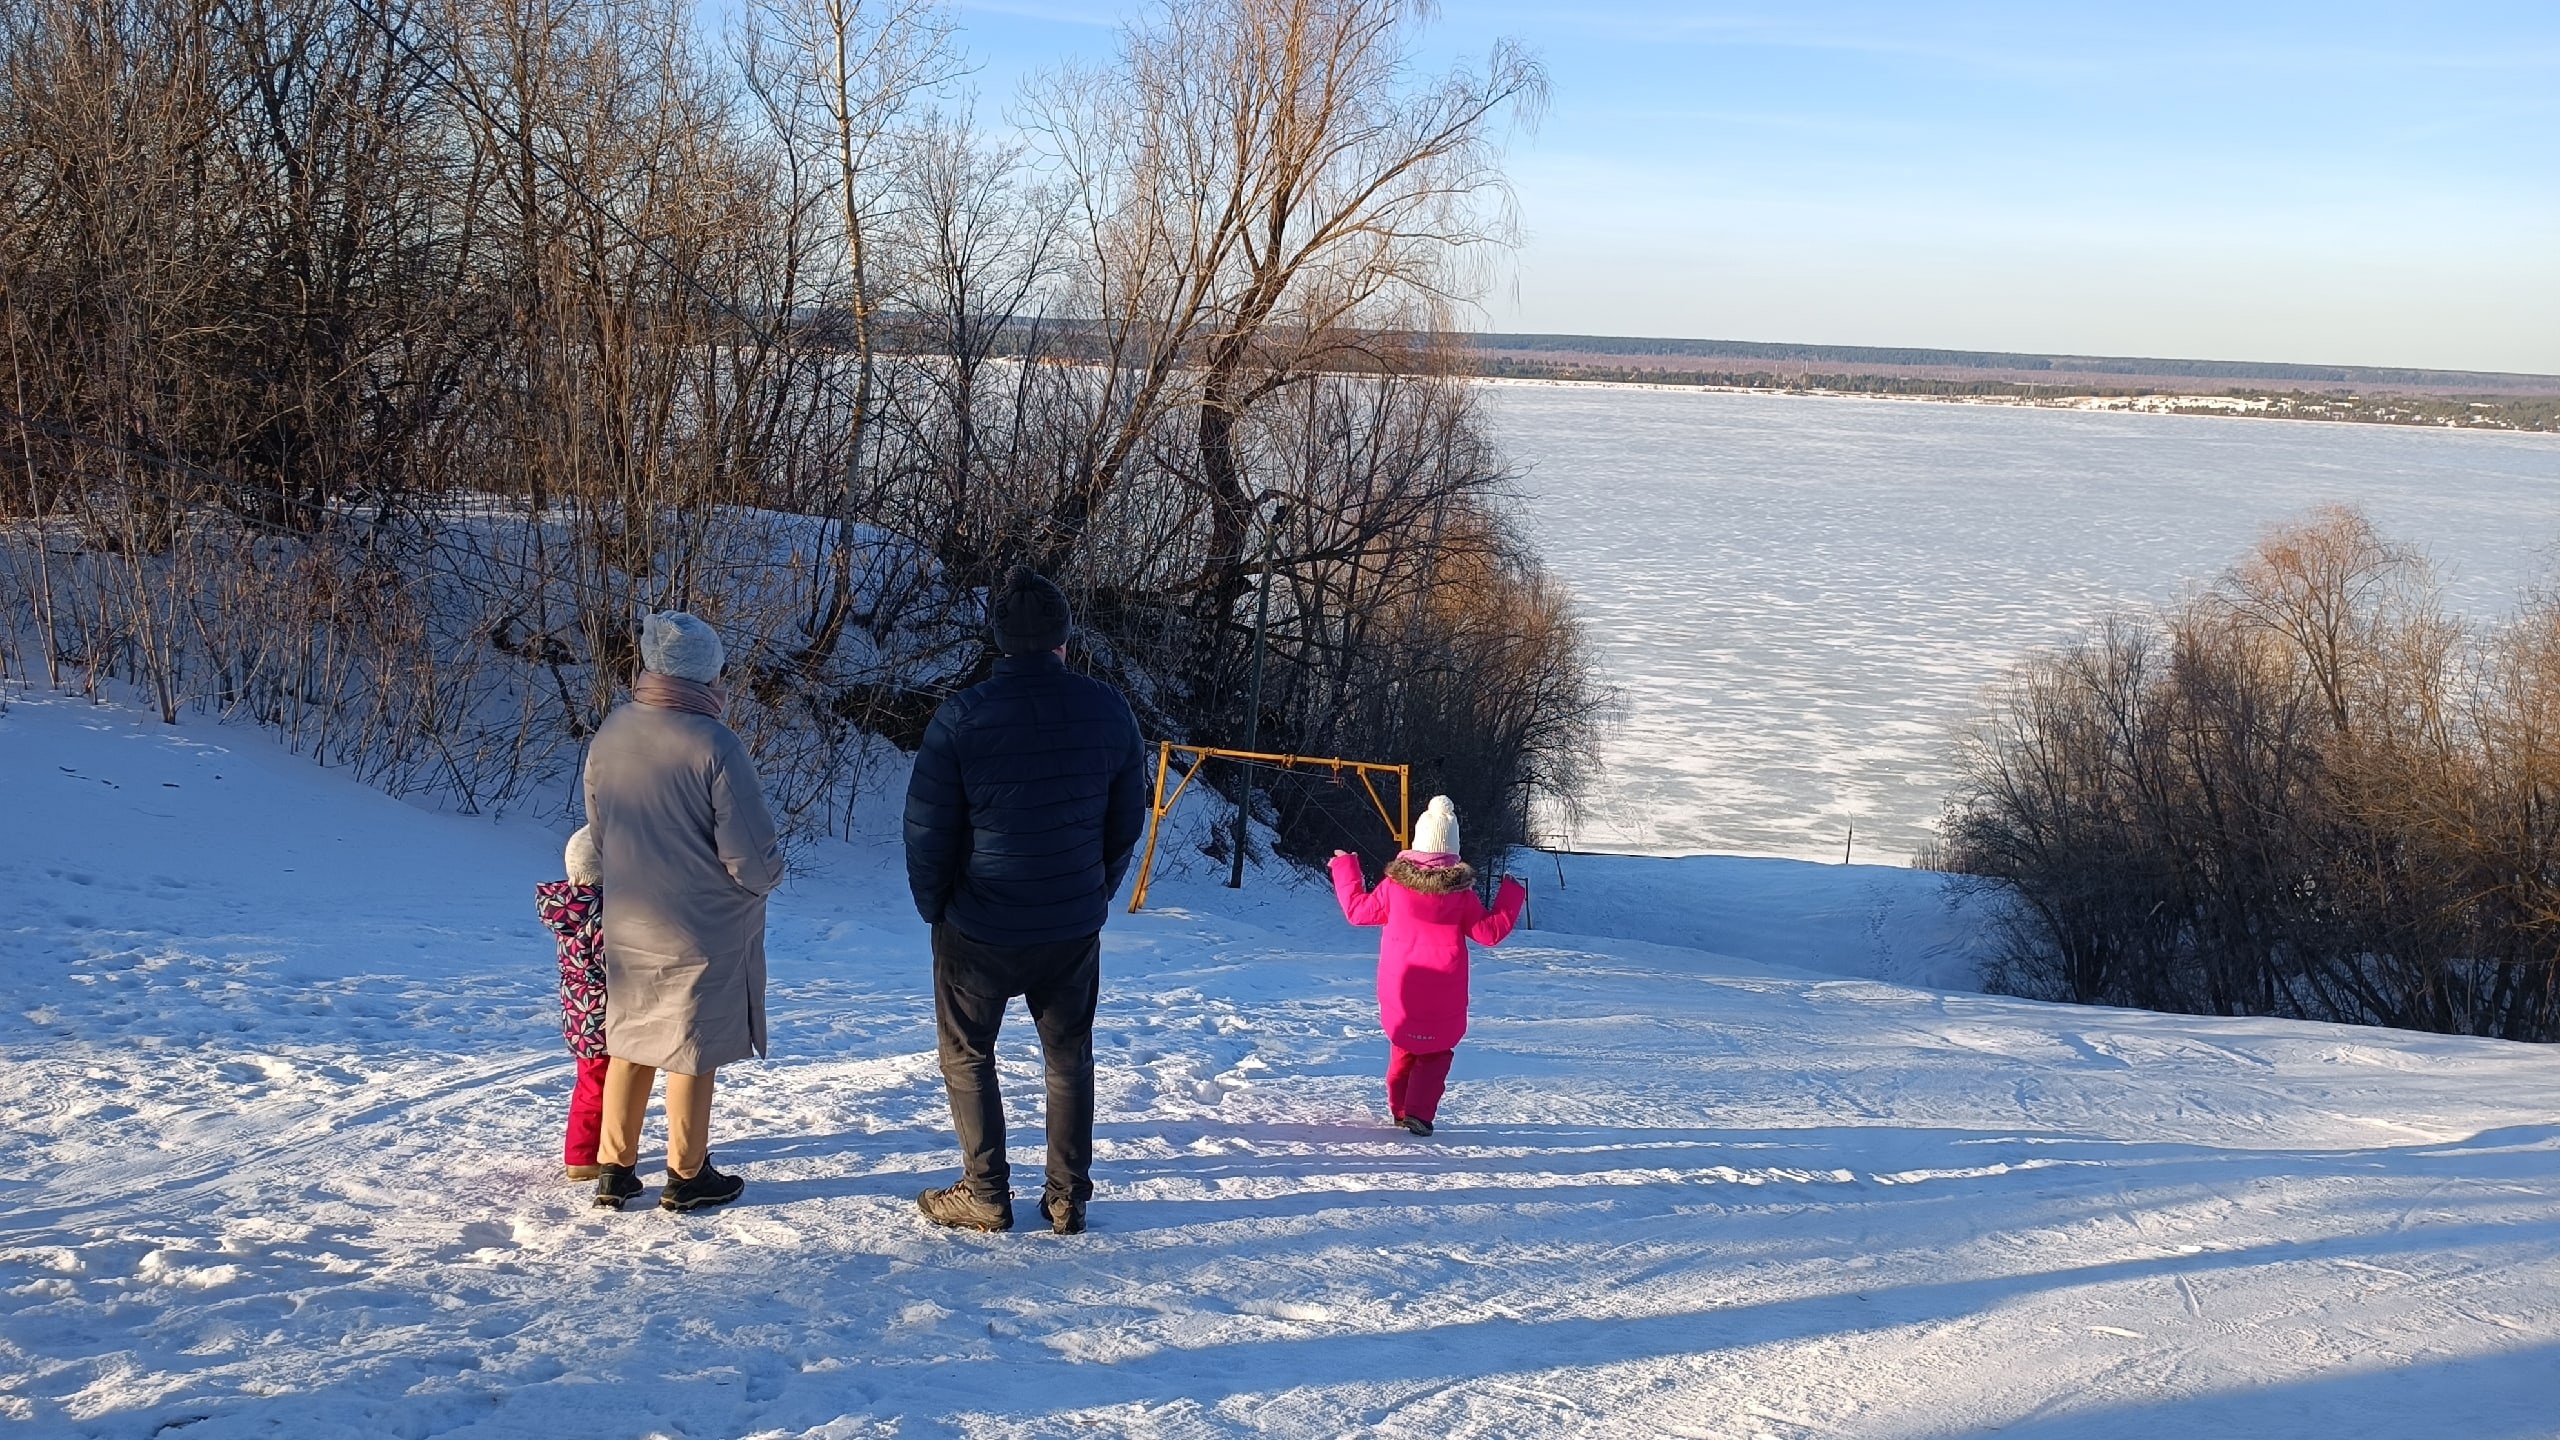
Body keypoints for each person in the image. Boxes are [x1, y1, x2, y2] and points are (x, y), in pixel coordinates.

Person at [903, 567, 1146, 1236]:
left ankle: (985, 1193)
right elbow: (1128, 818)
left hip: (978, 924)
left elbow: (928, 829)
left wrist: (937, 908)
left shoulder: (962, 716)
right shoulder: (1108, 709)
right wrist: (1094, 890)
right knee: (1068, 1058)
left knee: (967, 1055)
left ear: (1000, 641)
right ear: (1065, 638)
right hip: (1069, 923)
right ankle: (1068, 1198)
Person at [581, 610, 784, 1213]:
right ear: (707, 675)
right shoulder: (714, 743)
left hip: (629, 915)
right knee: (690, 1045)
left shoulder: (612, 732)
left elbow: (600, 829)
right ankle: (687, 1173)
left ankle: (615, 1168)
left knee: (632, 1038)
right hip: (703, 924)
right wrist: (765, 881)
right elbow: (747, 848)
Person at [1328, 796, 1527, 1136]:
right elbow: (1489, 933)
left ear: (1415, 847)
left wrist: (1346, 866)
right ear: (1453, 852)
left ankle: (1400, 1108)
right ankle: (1418, 1113)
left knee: (1402, 1050)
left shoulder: (1394, 888)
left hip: (1400, 994)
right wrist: (1511, 893)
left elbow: (1358, 911)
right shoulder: (1460, 896)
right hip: (1443, 999)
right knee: (1435, 1056)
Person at [533, 826, 610, 1180]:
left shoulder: (569, 910)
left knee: (590, 1084)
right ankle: (583, 1156)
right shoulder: (602, 913)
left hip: (579, 1012)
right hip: (605, 1013)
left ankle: (588, 1151)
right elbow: (610, 963)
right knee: (599, 1088)